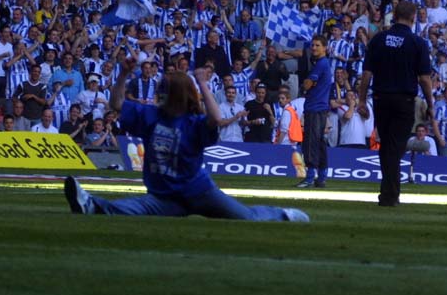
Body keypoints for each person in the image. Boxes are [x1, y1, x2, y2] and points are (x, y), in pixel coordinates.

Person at [64, 57, 309, 222]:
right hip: (164, 195)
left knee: (245, 217)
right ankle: (90, 204)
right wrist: (124, 74)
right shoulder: (150, 115)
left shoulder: (193, 123)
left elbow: (214, 118)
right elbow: (116, 104)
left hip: (199, 192)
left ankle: (283, 215)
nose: (158, 93)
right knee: (131, 207)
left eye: (164, 89)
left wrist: (202, 83)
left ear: (177, 96)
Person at [358, 1, 434, 206]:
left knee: (387, 146)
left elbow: (366, 74)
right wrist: (430, 104)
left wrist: (362, 100)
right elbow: (425, 79)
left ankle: (388, 193)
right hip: (404, 100)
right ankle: (390, 195)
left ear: (395, 15)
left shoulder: (378, 39)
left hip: (381, 99)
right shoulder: (418, 42)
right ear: (413, 17)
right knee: (395, 147)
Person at [296, 35, 333, 188]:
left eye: (317, 45)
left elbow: (306, 85)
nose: (314, 48)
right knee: (319, 143)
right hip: (320, 107)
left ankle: (310, 176)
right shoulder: (324, 63)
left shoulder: (320, 64)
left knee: (311, 142)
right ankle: (322, 177)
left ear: (325, 48)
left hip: (315, 107)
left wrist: (307, 81)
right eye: (312, 45)